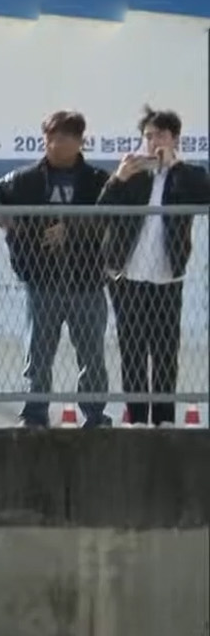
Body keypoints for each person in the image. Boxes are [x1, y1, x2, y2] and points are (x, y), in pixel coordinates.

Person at [0, 110, 114, 428]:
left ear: (80, 141)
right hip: (41, 281)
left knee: (92, 355)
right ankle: (35, 414)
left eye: (64, 137)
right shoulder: (26, 178)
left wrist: (72, 228)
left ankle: (95, 415)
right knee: (38, 355)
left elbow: (114, 217)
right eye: (50, 137)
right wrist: (8, 219)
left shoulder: (98, 180)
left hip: (88, 282)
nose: (55, 144)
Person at [99, 105, 209, 427]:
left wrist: (176, 167)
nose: (153, 142)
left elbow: (204, 195)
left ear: (175, 138)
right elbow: (101, 211)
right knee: (131, 354)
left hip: (167, 278)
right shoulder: (133, 175)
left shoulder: (189, 174)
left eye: (160, 135)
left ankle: (164, 422)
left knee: (164, 355)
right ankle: (136, 421)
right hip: (127, 277)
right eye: (147, 136)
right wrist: (119, 178)